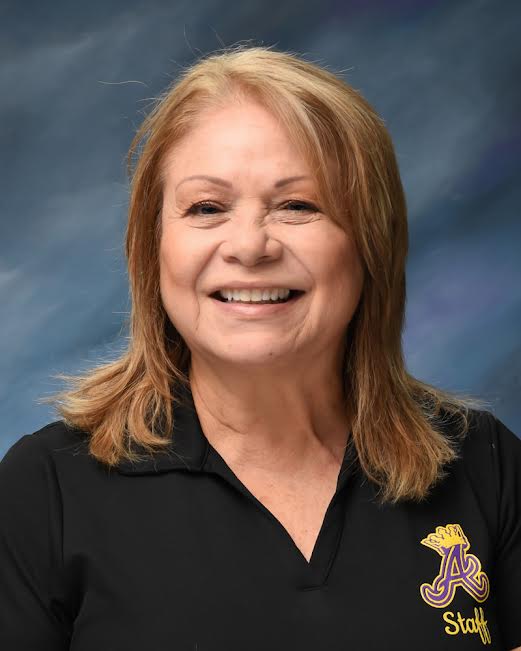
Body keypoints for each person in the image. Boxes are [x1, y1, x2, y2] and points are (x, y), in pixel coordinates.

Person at [0, 44, 519, 651]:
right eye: (207, 207)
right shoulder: (45, 492)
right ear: (153, 249)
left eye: (298, 205)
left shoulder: (485, 465)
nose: (250, 246)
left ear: (370, 245)